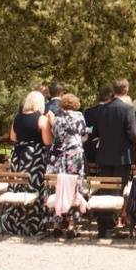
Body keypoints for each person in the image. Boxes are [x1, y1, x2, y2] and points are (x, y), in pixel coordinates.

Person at [90, 80, 136, 237]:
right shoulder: (128, 109)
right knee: (116, 192)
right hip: (122, 156)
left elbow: (95, 132)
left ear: (113, 90)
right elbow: (132, 133)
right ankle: (110, 228)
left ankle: (102, 227)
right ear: (127, 90)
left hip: (104, 155)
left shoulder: (102, 109)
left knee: (104, 190)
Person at [3, 90, 52, 235]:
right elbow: (47, 141)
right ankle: (33, 224)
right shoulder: (41, 119)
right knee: (34, 187)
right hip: (34, 156)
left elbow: (13, 137)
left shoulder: (17, 118)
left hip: (18, 155)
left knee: (17, 186)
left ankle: (15, 223)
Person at [45, 93, 87, 237]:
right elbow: (83, 133)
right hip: (74, 156)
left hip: (57, 156)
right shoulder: (79, 116)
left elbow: (54, 134)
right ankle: (71, 226)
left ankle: (57, 224)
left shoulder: (56, 118)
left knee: (57, 188)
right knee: (74, 188)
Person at [83, 87, 113, 167]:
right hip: (107, 153)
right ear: (110, 99)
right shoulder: (111, 112)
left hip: (90, 151)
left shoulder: (88, 112)